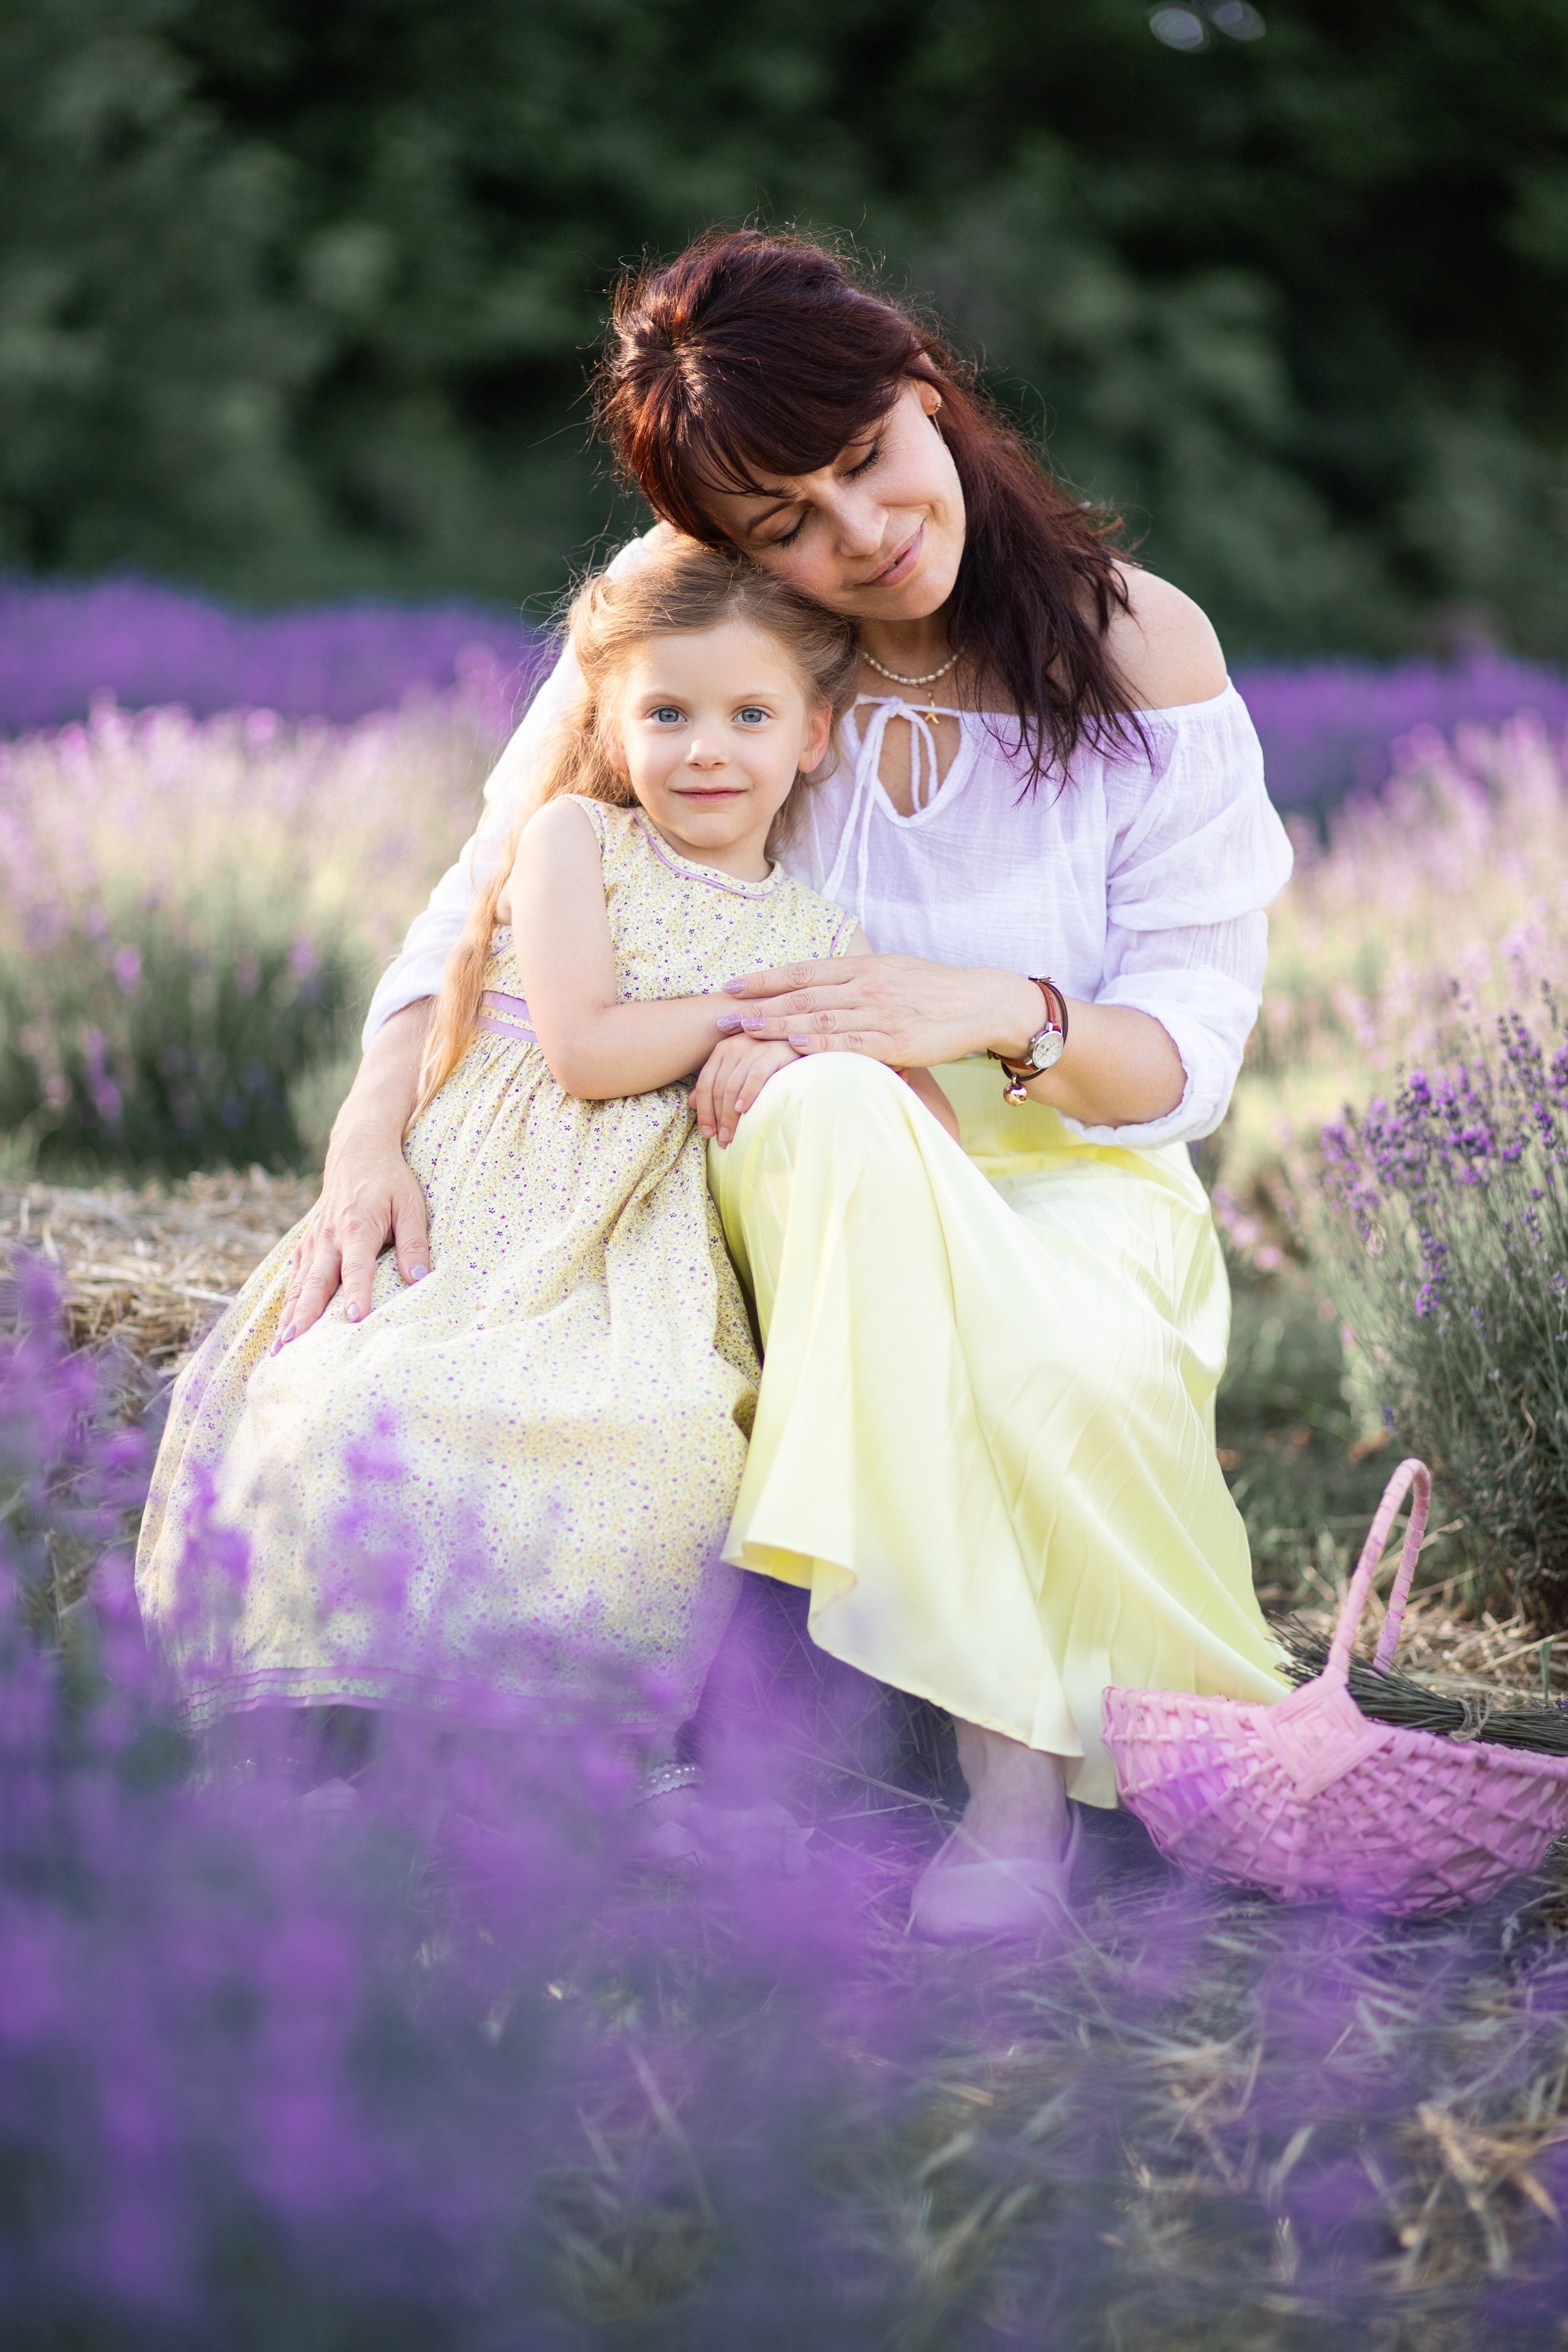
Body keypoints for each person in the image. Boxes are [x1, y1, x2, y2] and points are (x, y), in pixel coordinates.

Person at [275, 230, 1295, 1941]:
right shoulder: (710, 634)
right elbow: (487, 893)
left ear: (925, 389)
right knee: (825, 1112)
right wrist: (369, 1131)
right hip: (752, 1167)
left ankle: (918, 1761)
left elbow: (1182, 1066)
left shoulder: (1138, 648)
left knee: (1010, 1292)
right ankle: (1005, 1789)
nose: (858, 533)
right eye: (782, 523)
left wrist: (988, 1010)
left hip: (1063, 1182)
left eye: (866, 460)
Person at [137, 545, 941, 1849]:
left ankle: (564, 1749)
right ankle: (337, 1738)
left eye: (750, 714)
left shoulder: (821, 933)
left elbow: (923, 1117)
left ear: (812, 738)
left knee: (670, 1432)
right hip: (487, 1211)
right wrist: (761, 1020)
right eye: (666, 713)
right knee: (363, 1394)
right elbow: (586, 1050)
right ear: (613, 730)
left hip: (639, 1251)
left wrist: (814, 1048)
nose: (706, 748)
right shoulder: (578, 839)